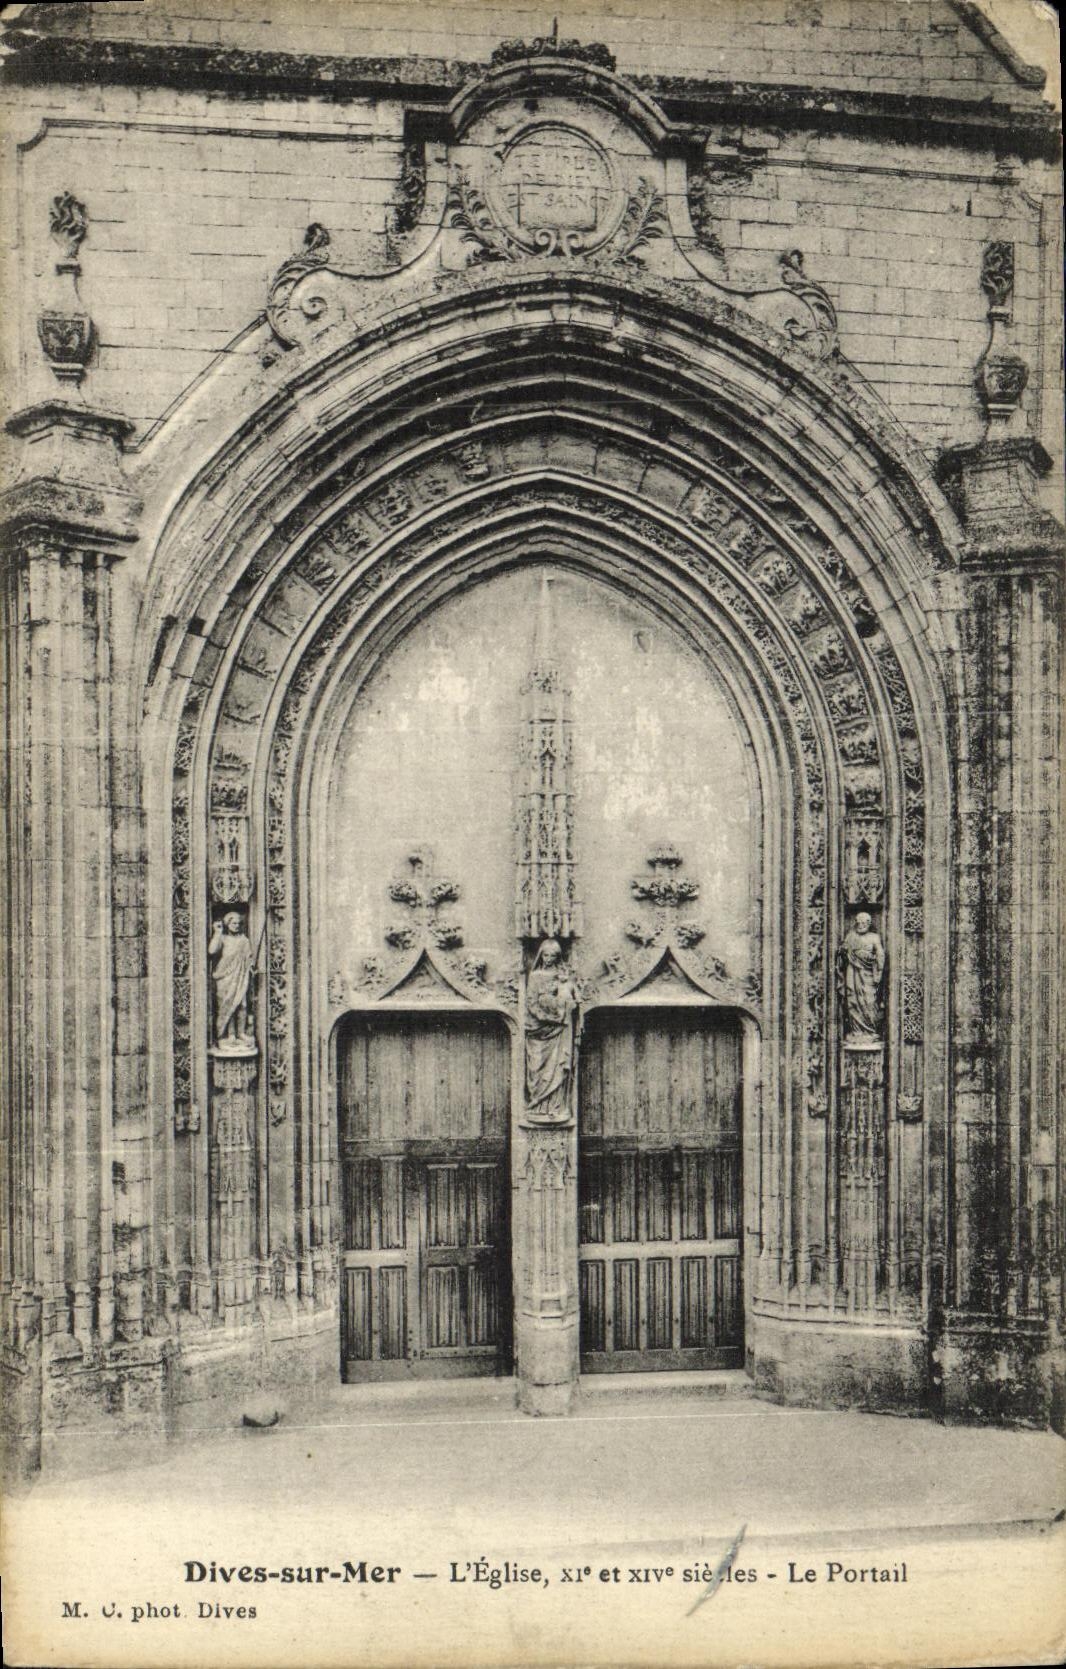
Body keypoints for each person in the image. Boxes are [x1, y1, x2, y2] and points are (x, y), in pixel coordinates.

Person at [524, 938, 578, 1123]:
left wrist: (564, 1006)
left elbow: (572, 999)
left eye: (552, 956)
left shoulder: (563, 976)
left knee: (558, 1067)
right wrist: (550, 1017)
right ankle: (536, 1105)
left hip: (560, 1028)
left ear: (558, 957)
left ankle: (556, 1106)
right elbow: (531, 1003)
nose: (548, 959)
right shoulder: (535, 976)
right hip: (540, 1028)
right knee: (537, 1067)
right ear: (541, 955)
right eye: (545, 955)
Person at [837, 911, 885, 1043]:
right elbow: (842, 953)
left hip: (868, 974)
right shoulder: (851, 936)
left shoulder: (874, 937)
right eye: (859, 922)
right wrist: (843, 952)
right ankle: (856, 1031)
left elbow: (880, 955)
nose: (861, 925)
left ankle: (870, 1030)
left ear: (869, 924)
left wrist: (878, 972)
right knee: (852, 999)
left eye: (864, 923)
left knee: (869, 1001)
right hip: (852, 972)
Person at [209, 910, 255, 1049]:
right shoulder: (223, 938)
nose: (236, 925)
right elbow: (212, 951)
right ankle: (227, 1035)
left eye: (239, 923)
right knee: (227, 1005)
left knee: (241, 1004)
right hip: (224, 977)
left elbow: (249, 958)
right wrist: (217, 933)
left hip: (240, 976)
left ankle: (240, 1032)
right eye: (233, 923)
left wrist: (252, 966)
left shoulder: (244, 940)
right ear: (227, 924)